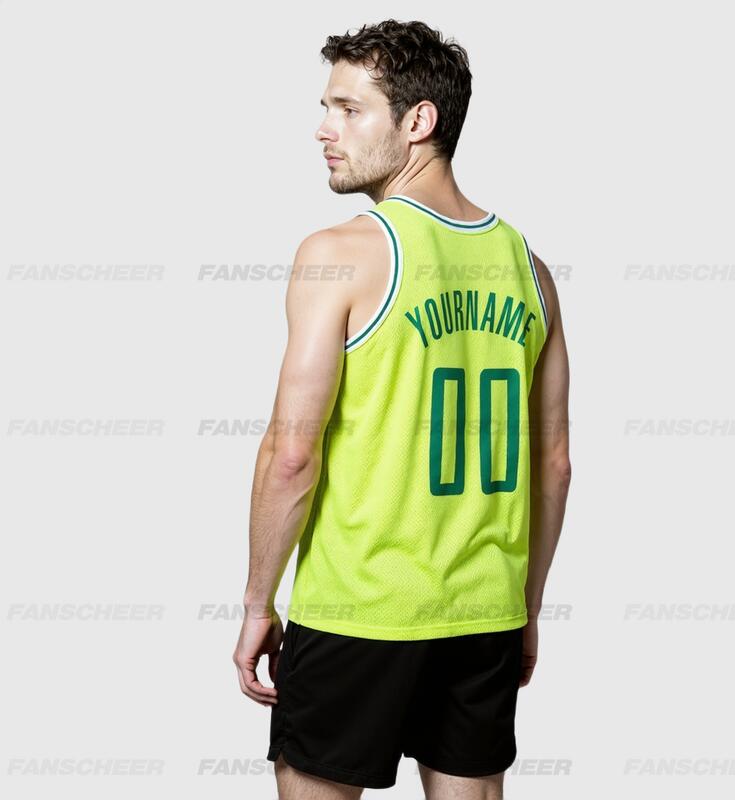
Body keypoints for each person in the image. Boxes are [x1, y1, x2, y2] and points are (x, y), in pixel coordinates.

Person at [233, 19, 571, 800]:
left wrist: (257, 602)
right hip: (484, 615)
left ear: (419, 121)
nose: (324, 130)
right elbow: (553, 463)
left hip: (357, 608)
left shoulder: (339, 254)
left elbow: (292, 452)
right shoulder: (531, 269)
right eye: (326, 108)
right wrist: (525, 609)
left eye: (349, 110)